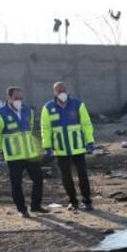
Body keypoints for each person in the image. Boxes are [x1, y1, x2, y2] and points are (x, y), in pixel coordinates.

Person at [0, 86, 46, 218]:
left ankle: (36, 206)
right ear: (9, 98)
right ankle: (22, 209)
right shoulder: (0, 113)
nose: (19, 100)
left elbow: (30, 128)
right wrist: (3, 149)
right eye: (16, 98)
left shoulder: (27, 110)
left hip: (30, 154)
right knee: (16, 183)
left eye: (21, 98)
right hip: (14, 155)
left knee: (38, 179)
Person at [40, 81, 96, 211]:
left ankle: (87, 201)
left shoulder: (77, 104)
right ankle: (73, 201)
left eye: (63, 90)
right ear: (54, 92)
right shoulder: (48, 107)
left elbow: (86, 124)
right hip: (60, 149)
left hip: (78, 147)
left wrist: (90, 141)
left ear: (67, 90)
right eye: (58, 91)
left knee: (83, 176)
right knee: (66, 177)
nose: (62, 93)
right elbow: (45, 128)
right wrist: (47, 146)